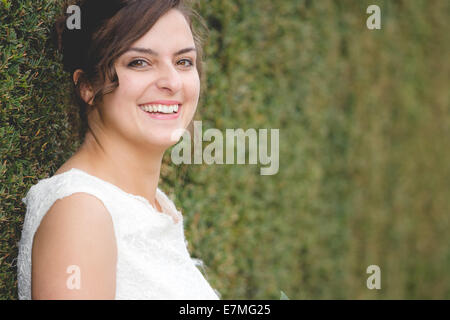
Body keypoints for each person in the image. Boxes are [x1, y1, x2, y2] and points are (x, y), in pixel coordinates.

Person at [17, 0, 220, 300]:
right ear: (87, 85)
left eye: (183, 62)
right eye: (139, 62)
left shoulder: (152, 205)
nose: (172, 82)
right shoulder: (81, 213)